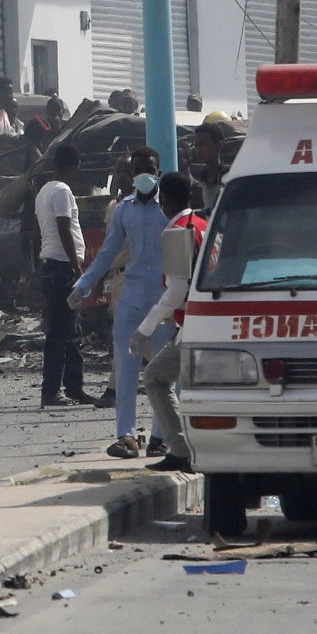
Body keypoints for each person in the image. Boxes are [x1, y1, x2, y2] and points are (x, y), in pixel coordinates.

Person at [75, 160, 172, 457]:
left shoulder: (168, 208)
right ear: (131, 174)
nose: (143, 174)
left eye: (149, 168)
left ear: (158, 171)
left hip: (162, 296)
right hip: (130, 294)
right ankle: (126, 435)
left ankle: (159, 437)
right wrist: (85, 283)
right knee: (126, 368)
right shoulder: (123, 210)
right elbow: (107, 252)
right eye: (138, 168)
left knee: (161, 370)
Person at [132, 173, 207, 471]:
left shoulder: (177, 231)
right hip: (203, 323)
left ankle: (181, 450)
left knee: (155, 377)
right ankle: (187, 449)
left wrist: (144, 329)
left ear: (164, 199)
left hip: (191, 326)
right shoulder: (203, 225)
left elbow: (176, 291)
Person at [35, 145, 91, 407]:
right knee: (60, 333)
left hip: (53, 264)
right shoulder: (62, 191)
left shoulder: (44, 190)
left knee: (70, 330)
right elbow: (64, 228)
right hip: (62, 267)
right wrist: (75, 266)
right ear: (75, 165)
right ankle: (51, 391)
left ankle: (74, 386)